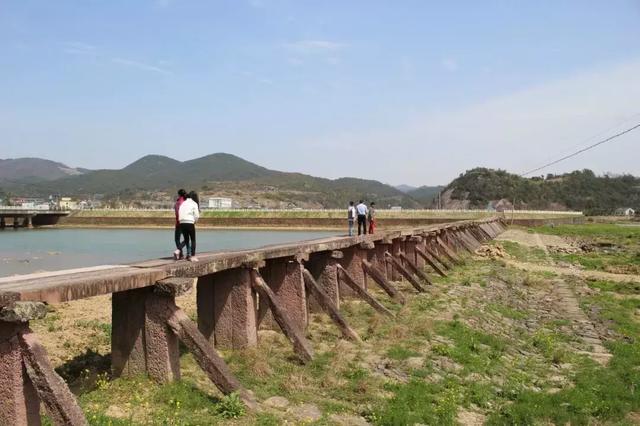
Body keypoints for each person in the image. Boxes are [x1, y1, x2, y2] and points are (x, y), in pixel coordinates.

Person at [178, 191, 200, 262]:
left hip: (181, 222)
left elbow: (180, 212)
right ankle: (193, 256)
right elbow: (196, 215)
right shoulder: (194, 203)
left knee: (187, 240)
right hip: (189, 222)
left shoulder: (183, 203)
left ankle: (188, 255)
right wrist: (195, 221)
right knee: (193, 239)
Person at [173, 189, 187, 260]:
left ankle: (180, 252)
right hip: (186, 223)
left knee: (177, 239)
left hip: (178, 223)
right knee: (187, 239)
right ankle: (181, 252)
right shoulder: (186, 202)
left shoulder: (177, 203)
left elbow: (177, 214)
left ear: (178, 194)